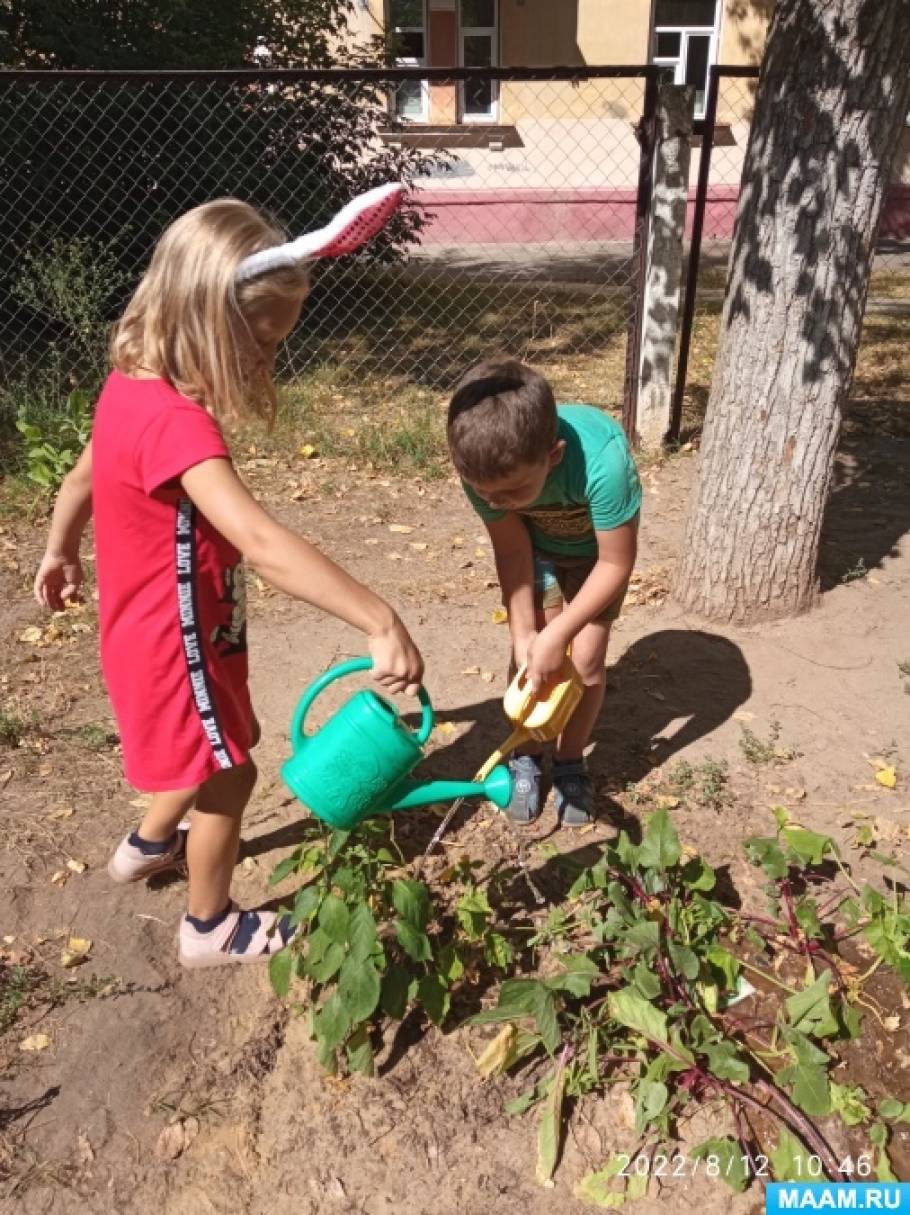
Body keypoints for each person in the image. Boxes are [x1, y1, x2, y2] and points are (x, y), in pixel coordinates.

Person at [33, 199, 423, 967]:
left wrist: (59, 548)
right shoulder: (178, 427)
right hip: (173, 643)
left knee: (212, 740)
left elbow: (81, 474)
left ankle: (147, 846)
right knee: (228, 770)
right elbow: (259, 540)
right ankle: (209, 925)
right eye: (260, 346)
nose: (265, 365)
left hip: (167, 629)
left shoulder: (130, 387)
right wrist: (377, 617)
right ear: (208, 322)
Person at [447, 358, 640, 826]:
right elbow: (513, 553)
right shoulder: (486, 468)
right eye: (485, 494)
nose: (495, 503)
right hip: (538, 552)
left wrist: (560, 638)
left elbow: (616, 562)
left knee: (586, 663)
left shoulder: (604, 464)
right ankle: (527, 755)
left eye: (510, 493)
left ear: (552, 457)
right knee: (531, 654)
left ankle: (571, 760)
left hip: (598, 558)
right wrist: (526, 634)